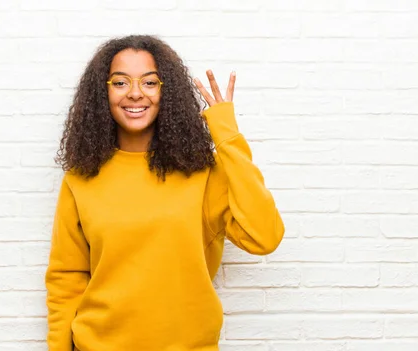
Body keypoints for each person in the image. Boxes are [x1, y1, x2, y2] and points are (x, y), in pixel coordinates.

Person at [45, 34, 285, 351]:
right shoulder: (81, 178)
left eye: (149, 83)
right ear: (102, 93)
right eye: (119, 83)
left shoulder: (202, 173)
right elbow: (67, 278)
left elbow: (264, 236)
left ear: (165, 91)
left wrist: (226, 132)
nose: (134, 94)